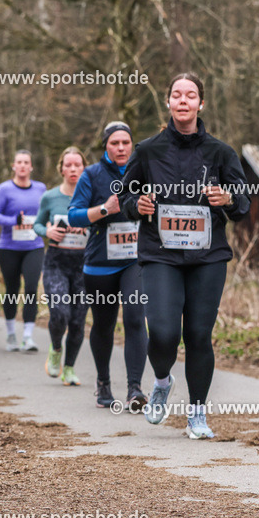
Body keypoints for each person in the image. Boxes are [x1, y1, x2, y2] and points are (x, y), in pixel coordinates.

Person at [120, 73, 251, 439]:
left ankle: (197, 414)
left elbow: (243, 205)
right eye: (176, 94)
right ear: (168, 102)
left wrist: (228, 199)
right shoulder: (147, 151)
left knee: (198, 334)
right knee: (162, 333)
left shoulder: (221, 153)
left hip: (207, 257)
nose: (183, 100)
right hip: (160, 254)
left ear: (200, 104)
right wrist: (138, 204)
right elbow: (125, 198)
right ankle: (162, 380)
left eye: (190, 95)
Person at [68, 122, 149, 411]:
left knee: (135, 319)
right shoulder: (91, 175)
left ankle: (135, 389)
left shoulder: (143, 171)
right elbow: (74, 217)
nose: (121, 148)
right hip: (100, 264)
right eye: (114, 143)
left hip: (134, 261)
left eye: (126, 142)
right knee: (103, 325)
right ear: (106, 146)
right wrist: (105, 209)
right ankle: (103, 383)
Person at [33, 147, 89, 386]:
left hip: (84, 265)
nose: (73, 169)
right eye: (69, 165)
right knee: (60, 312)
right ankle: (56, 348)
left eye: (78, 164)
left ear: (84, 168)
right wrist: (47, 231)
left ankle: (69, 369)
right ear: (61, 169)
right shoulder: (50, 197)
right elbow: (36, 224)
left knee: (78, 320)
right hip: (56, 261)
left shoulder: (92, 196)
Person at [0, 150, 46, 352]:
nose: (22, 165)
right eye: (19, 162)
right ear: (14, 166)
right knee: (12, 289)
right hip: (9, 248)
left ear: (31, 167)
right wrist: (13, 221)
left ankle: (28, 337)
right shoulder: (4, 189)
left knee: (31, 288)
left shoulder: (40, 188)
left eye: (26, 162)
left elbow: (45, 213)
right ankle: (11, 334)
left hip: (34, 246)